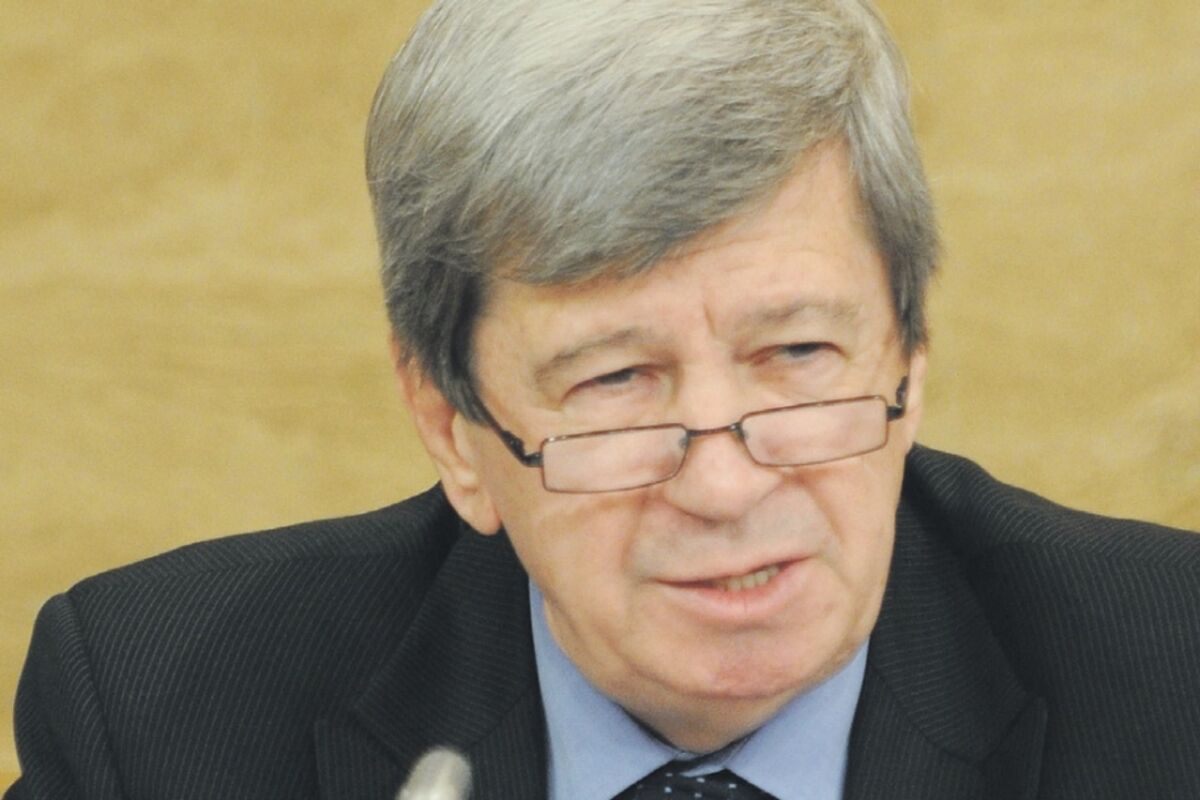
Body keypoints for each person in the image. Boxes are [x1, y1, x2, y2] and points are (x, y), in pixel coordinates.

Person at [7, 1, 1199, 798]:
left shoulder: (1174, 682)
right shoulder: (157, 721)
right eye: (617, 379)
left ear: (910, 358)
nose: (724, 484)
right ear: (453, 427)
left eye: (796, 352)